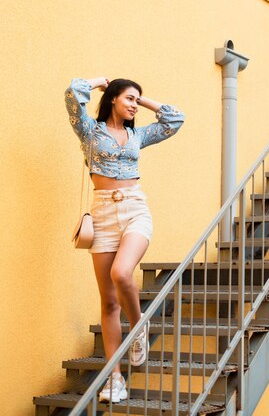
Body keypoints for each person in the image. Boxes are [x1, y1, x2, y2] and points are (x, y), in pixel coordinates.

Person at [65, 77, 184, 403]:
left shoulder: (138, 134)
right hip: (101, 216)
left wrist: (143, 100)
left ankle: (139, 326)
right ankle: (113, 379)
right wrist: (101, 82)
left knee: (122, 274)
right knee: (108, 302)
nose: (134, 104)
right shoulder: (90, 131)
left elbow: (175, 119)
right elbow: (74, 94)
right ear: (113, 98)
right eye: (129, 98)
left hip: (134, 209)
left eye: (137, 100)